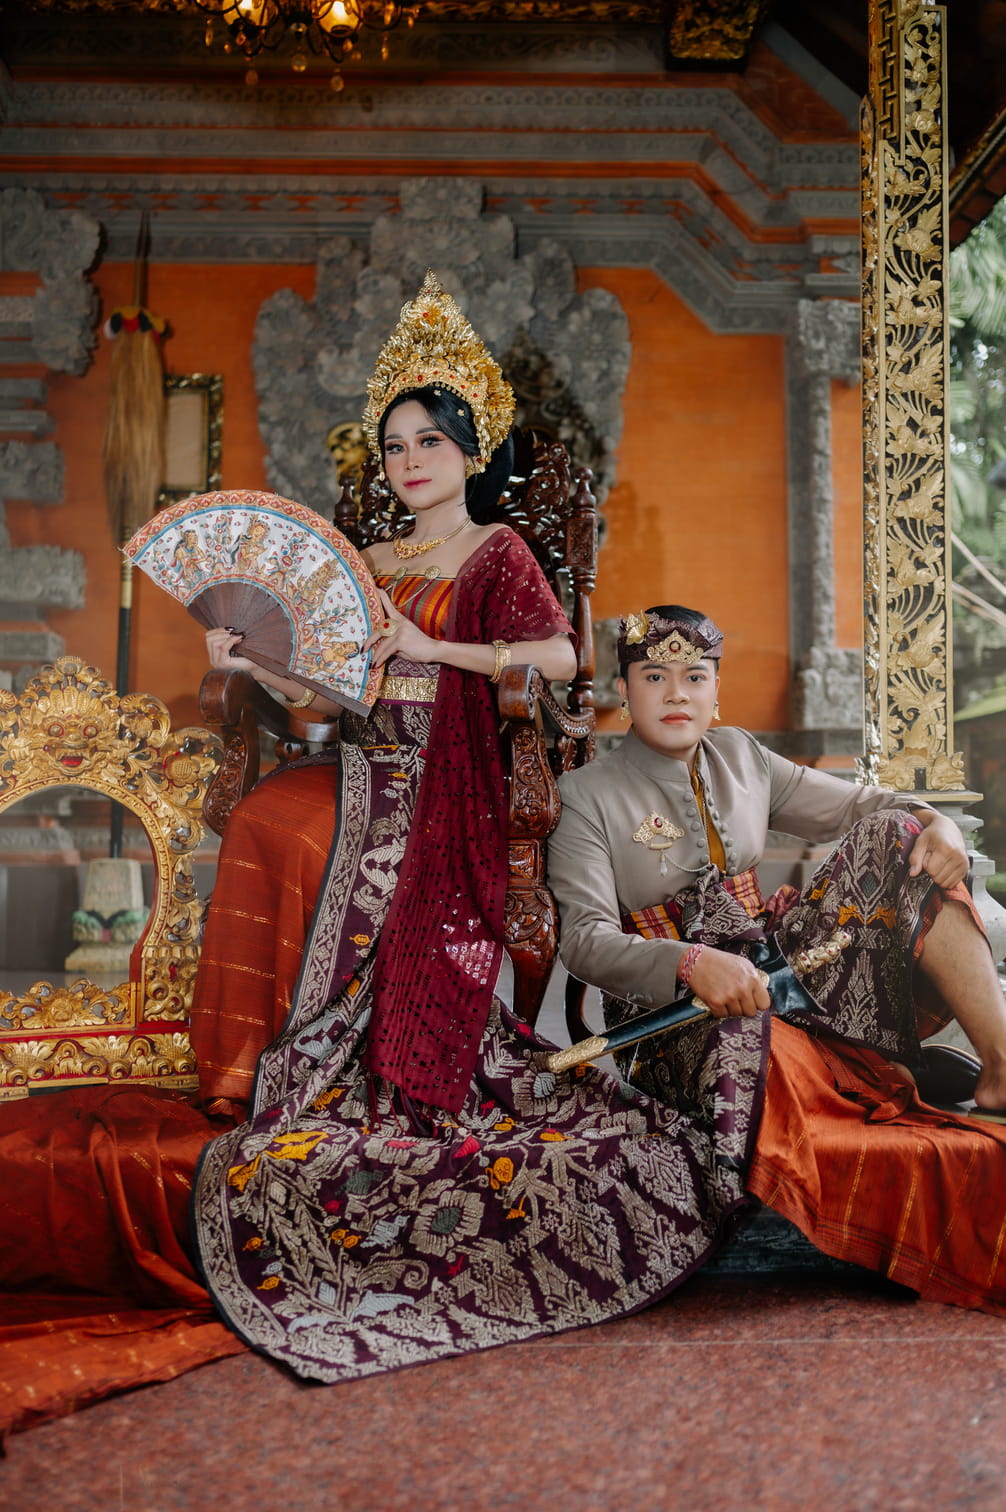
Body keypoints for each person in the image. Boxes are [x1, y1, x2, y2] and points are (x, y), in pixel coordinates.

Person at [184, 277, 736, 1384]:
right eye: (395, 447)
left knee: (309, 829)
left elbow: (563, 660)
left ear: (468, 453)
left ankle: (371, 1059)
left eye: (430, 442)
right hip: (363, 754)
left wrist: (434, 650)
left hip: (451, 771)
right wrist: (253, 663)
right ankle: (246, 1069)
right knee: (260, 816)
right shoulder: (366, 561)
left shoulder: (498, 554)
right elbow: (330, 692)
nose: (410, 461)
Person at [547, 604, 1006, 1309]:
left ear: (716, 689)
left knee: (897, 835)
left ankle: (1001, 1067)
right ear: (625, 690)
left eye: (694, 676)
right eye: (654, 676)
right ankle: (856, 1101)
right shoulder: (585, 795)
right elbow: (583, 940)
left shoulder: (742, 756)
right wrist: (688, 963)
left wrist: (935, 820)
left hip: (779, 960)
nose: (676, 694)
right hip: (676, 1009)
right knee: (747, 1041)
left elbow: (866, 807)